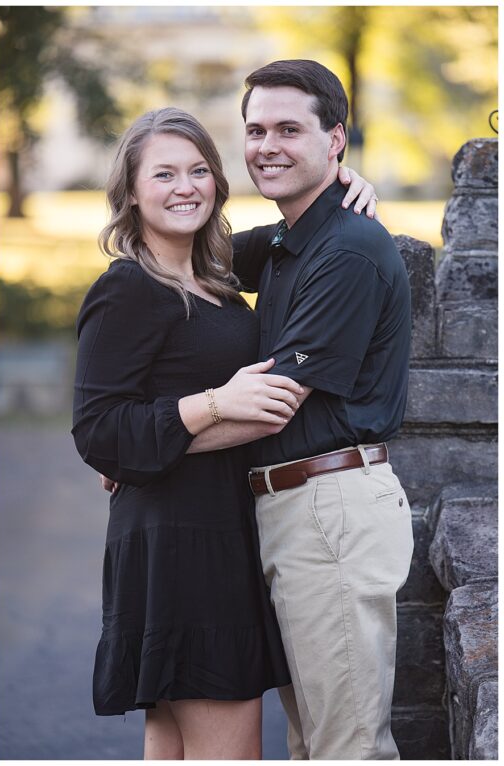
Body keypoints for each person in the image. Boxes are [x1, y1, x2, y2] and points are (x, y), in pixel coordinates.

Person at [73, 107, 378, 759]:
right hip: (180, 544)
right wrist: (213, 405)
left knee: (176, 745)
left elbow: (299, 232)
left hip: (214, 526)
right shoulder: (129, 286)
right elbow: (98, 430)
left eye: (198, 171)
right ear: (131, 190)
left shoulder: (212, 271)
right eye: (164, 174)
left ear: (217, 181)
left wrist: (341, 184)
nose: (185, 187)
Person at [227, 60, 412, 759]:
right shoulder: (286, 240)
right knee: (314, 742)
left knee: (347, 745)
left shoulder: (348, 249)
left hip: (330, 510)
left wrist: (148, 445)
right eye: (255, 130)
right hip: (295, 511)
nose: (266, 146)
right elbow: (170, 250)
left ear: (335, 140)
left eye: (288, 130)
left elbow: (274, 404)